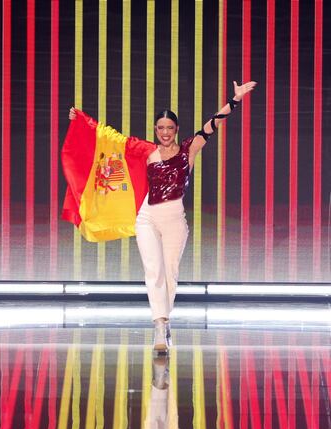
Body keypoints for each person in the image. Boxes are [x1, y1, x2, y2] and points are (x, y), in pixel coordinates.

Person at [69, 80, 256, 352]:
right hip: (147, 215)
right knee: (153, 271)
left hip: (174, 219)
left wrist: (235, 99)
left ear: (176, 130)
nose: (165, 132)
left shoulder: (188, 150)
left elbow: (213, 124)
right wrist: (84, 122)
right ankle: (159, 325)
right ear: (155, 130)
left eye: (170, 128)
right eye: (161, 128)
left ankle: (165, 322)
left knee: (170, 273)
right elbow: (110, 138)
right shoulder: (147, 152)